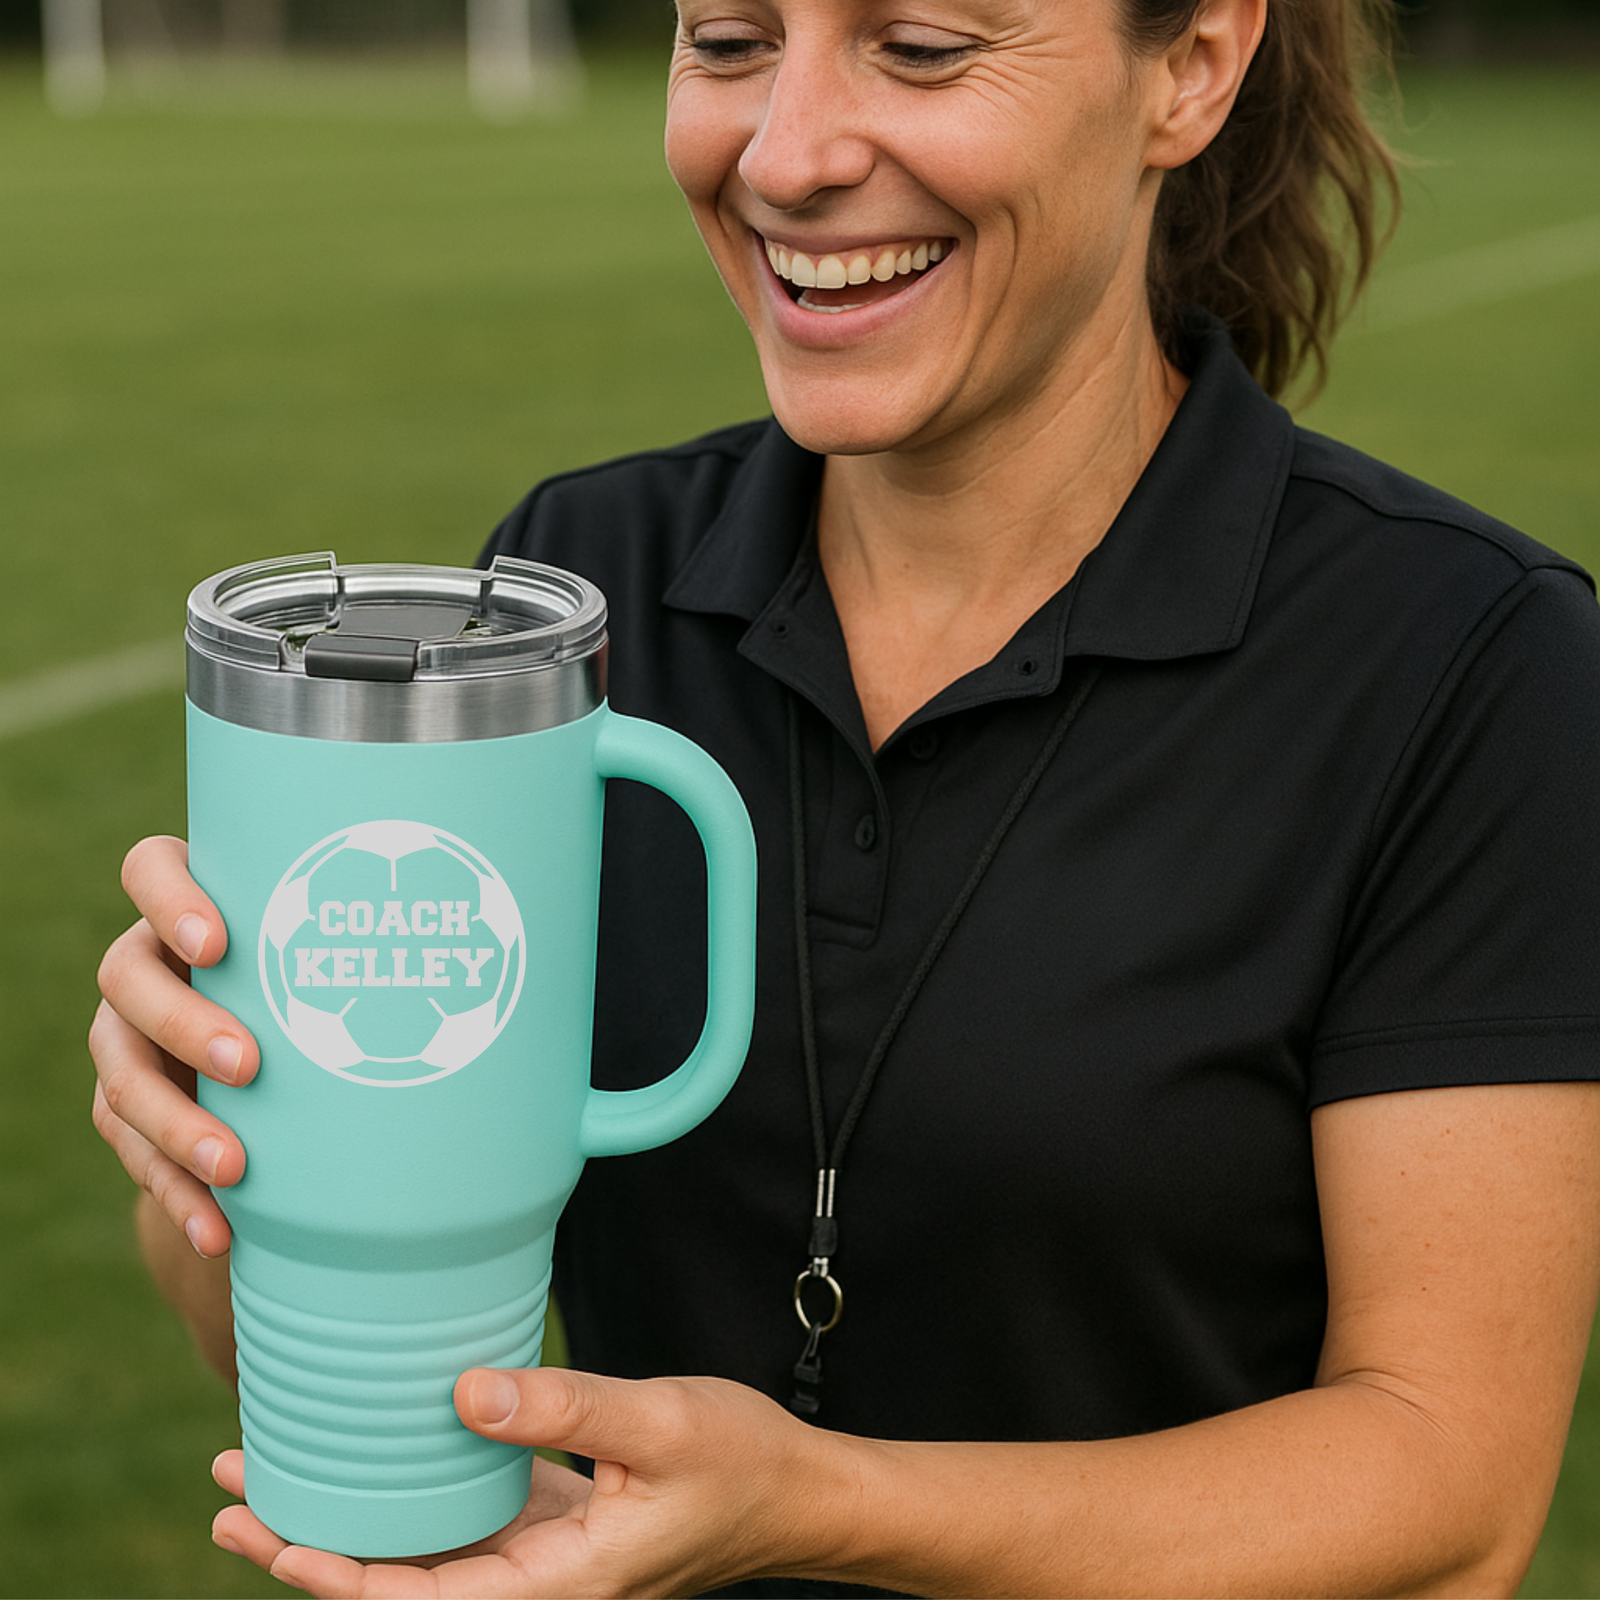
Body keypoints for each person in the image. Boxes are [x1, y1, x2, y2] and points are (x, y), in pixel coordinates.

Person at [90, 0, 1600, 1594]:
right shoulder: (577, 590)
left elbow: (1451, 1491)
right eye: (731, 42)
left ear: (1191, 67)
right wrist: (221, 1118)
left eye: (923, 47)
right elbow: (325, 1366)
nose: (787, 156)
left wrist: (819, 1503)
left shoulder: (1466, 660)